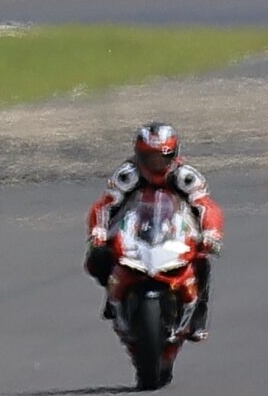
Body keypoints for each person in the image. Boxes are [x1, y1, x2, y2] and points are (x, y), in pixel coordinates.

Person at [83, 123, 226, 339]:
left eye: (162, 157)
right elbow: (105, 205)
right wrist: (98, 232)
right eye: (150, 157)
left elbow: (206, 205)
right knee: (97, 256)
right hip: (132, 225)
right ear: (139, 155)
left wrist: (211, 233)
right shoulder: (128, 174)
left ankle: (199, 314)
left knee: (202, 260)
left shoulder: (186, 176)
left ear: (173, 154)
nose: (156, 163)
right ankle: (112, 293)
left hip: (177, 226)